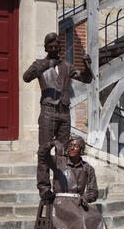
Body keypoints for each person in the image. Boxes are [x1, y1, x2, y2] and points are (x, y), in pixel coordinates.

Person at [23, 32, 94, 201]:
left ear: (60, 48)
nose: (54, 49)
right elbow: (26, 77)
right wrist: (47, 64)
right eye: (50, 47)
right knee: (44, 151)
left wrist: (87, 66)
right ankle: (44, 188)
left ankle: (59, 184)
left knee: (62, 153)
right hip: (48, 111)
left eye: (56, 47)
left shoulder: (66, 66)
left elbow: (86, 79)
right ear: (46, 48)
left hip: (64, 113)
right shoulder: (40, 64)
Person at [38, 136, 113, 229]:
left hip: (79, 201)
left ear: (81, 150)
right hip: (61, 202)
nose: (72, 148)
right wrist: (51, 143)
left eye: (76, 146)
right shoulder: (59, 162)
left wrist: (86, 197)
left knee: (98, 218)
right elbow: (42, 154)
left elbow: (93, 191)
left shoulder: (88, 168)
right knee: (80, 219)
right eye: (70, 145)